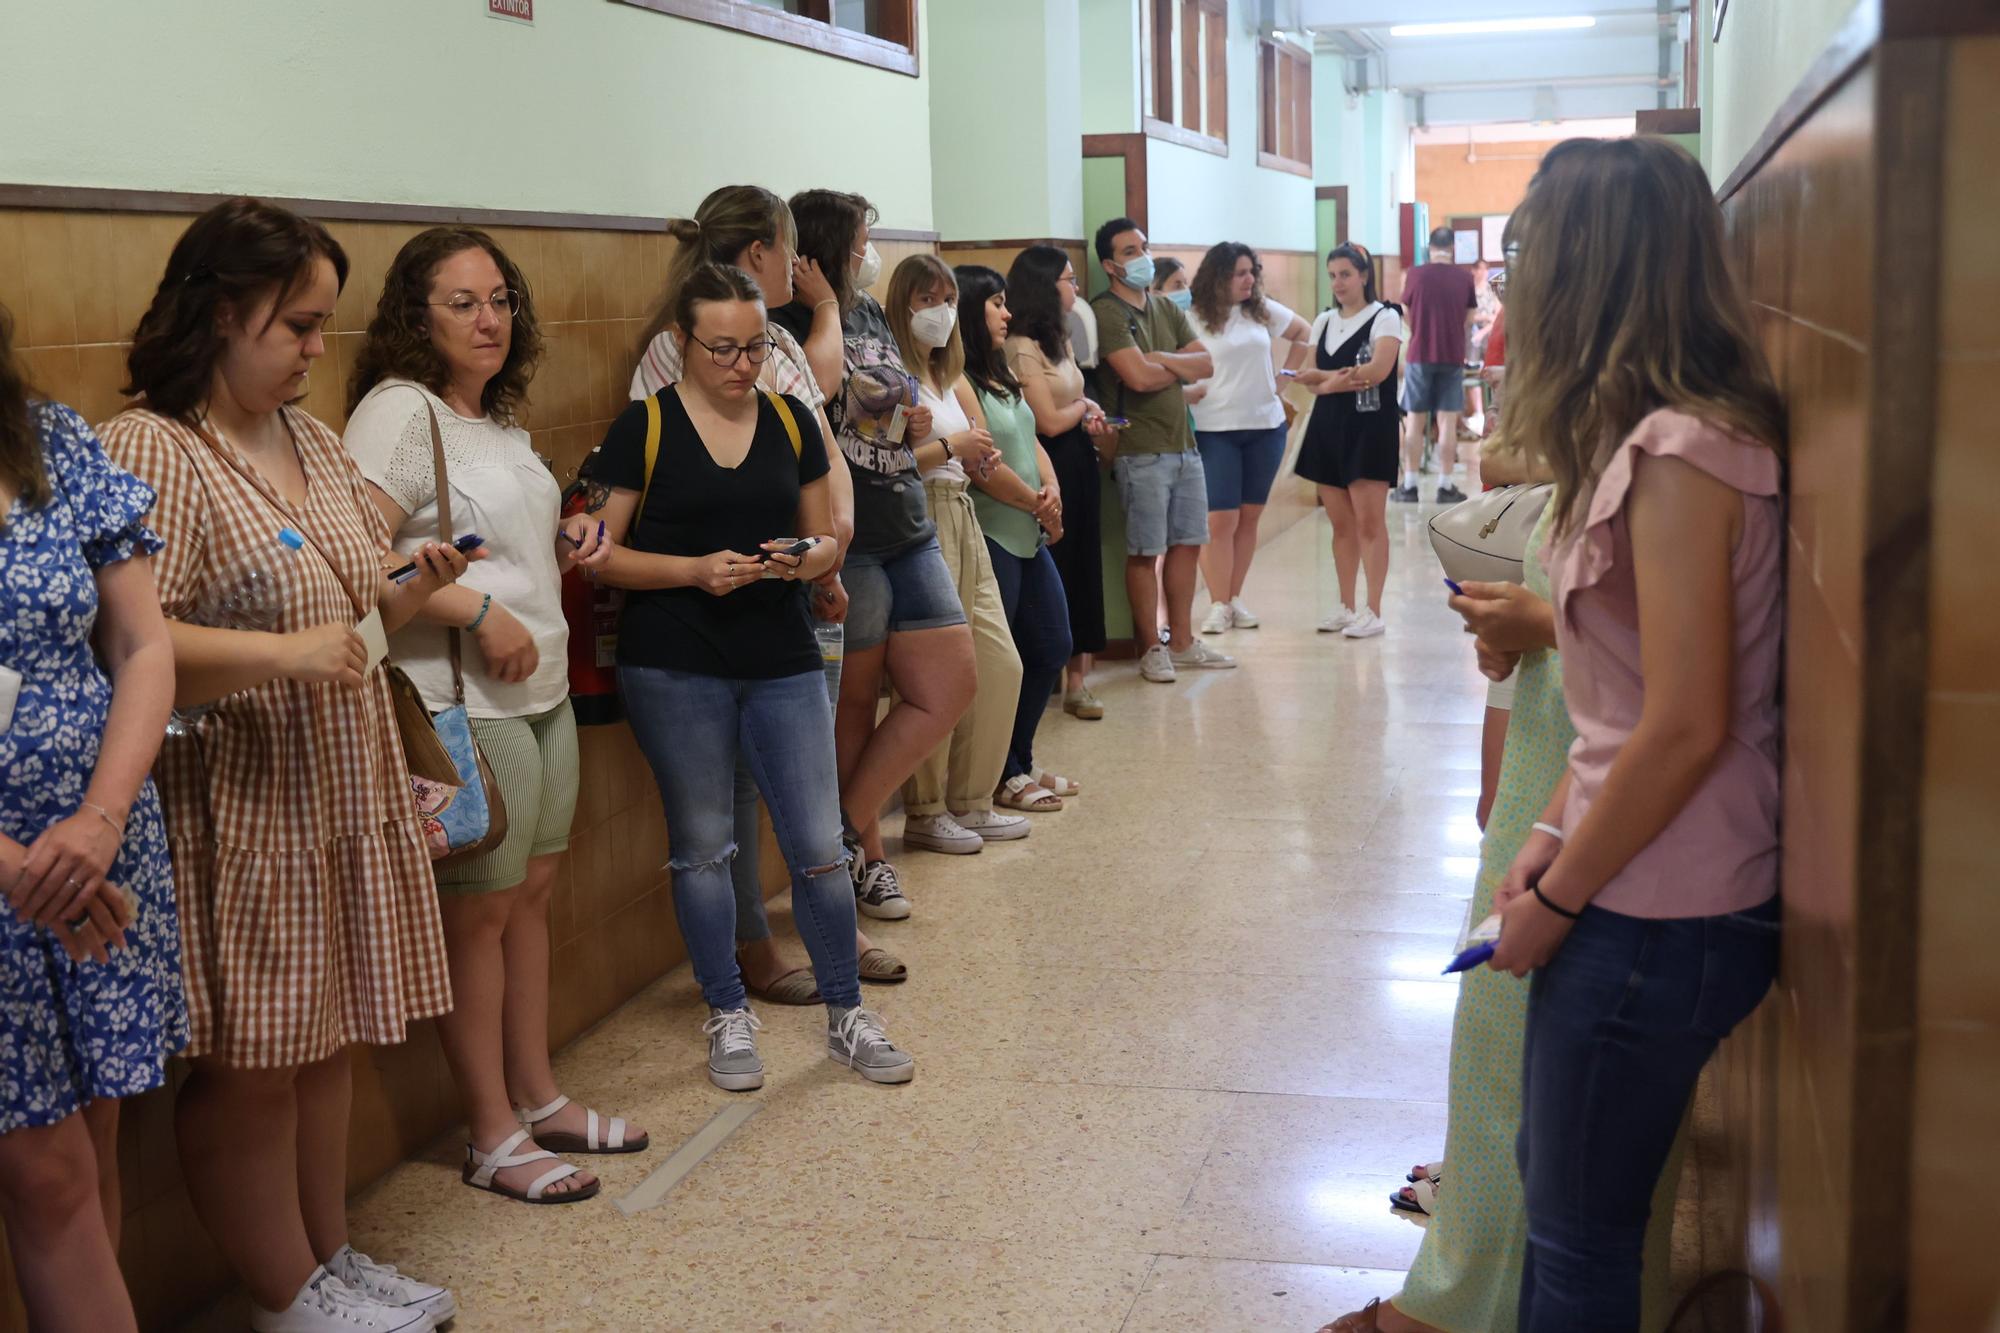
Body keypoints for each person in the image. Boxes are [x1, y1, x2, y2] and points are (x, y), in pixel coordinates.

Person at [103, 198, 471, 1332]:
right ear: (223, 313)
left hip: (340, 786)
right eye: (299, 326)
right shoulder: (152, 446)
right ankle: (281, 1292)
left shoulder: (307, 437)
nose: (320, 349)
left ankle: (327, 1256)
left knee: (324, 1046)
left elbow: (342, 610)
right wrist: (281, 649)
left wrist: (403, 590)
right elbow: (130, 641)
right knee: (256, 1064)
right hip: (240, 802)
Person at [1487, 136, 1787, 1331]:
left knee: (1575, 1241)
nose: (1514, 281)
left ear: (1589, 271)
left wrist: (1560, 900)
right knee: (1558, 1201)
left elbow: (1685, 721)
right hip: (1631, 877)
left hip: (1663, 908)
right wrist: (1549, 829)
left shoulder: (1682, 455)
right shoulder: (1639, 438)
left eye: (1528, 253)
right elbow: (1620, 699)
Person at [1319, 500, 1683, 1333]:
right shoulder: (1597, 449)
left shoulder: (1676, 462)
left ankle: (1463, 1309)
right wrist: (1517, 637)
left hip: (1606, 797)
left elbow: (1689, 670)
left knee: (1550, 1086)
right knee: (1498, 1062)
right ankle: (1459, 1293)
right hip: (1552, 769)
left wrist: (1549, 627)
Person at [344, 226, 645, 1207]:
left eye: (499, 300)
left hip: (544, 685)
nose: (488, 320)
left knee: (527, 906)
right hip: (463, 698)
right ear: (413, 317)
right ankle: (488, 1131)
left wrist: (567, 530)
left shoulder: (497, 419)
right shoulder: (398, 414)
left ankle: (537, 1094)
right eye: (463, 302)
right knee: (479, 921)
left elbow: (492, 540)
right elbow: (356, 562)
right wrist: (475, 609)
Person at [581, 261, 914, 1091]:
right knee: (701, 849)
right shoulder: (645, 426)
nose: (740, 364)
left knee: (816, 846)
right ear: (682, 344)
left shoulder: (793, 420)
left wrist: (808, 560)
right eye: (721, 348)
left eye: (755, 346)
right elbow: (600, 556)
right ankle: (727, 1009)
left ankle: (846, 1014)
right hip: (675, 659)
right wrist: (693, 571)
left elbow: (825, 539)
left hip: (781, 655)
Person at [626, 186, 902, 1006]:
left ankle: (831, 935)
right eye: (787, 248)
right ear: (758, 253)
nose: (799, 265)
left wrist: (829, 552)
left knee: (807, 776)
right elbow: (666, 494)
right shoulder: (671, 356)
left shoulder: (776, 337)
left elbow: (819, 453)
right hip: (715, 609)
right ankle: (749, 947)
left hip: (796, 583)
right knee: (733, 795)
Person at [0, 304, 185, 1333]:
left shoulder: (51, 438)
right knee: (49, 1173)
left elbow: (142, 646)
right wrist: (19, 863)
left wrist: (100, 821)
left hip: (99, 851)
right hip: (15, 879)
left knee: (94, 1147)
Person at [770, 190, 976, 922]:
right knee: (853, 703)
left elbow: (884, 401)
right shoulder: (792, 321)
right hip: (846, 534)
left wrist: (913, 416)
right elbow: (822, 390)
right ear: (828, 246)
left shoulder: (865, 312)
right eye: (861, 239)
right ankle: (869, 857)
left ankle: (843, 829)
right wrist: (823, 305)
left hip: (906, 521)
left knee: (952, 679)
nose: (869, 250)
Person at [883, 255, 1033, 839]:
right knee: (935, 675)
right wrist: (953, 447)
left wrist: (977, 453)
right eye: (926, 301)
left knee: (1001, 664)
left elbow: (975, 444)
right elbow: (884, 464)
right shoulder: (891, 376)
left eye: (947, 301)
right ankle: (926, 810)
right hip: (920, 518)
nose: (940, 314)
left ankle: (971, 799)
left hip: (963, 514)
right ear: (903, 306)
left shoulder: (949, 375)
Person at [958, 265, 1077, 809]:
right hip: (993, 533)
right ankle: (1003, 772)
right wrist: (1036, 504)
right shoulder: (961, 380)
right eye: (996, 304)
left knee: (1052, 643)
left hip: (1026, 529)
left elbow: (1031, 440)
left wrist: (1049, 491)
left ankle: (1021, 760)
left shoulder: (1000, 371)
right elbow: (984, 464)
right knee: (1003, 660)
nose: (1008, 314)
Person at [1089, 219, 1229, 683]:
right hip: (1139, 450)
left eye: (1143, 247)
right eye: (1130, 251)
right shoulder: (1106, 313)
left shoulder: (1165, 309)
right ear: (1110, 264)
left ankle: (1183, 641)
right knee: (1145, 551)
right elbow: (1138, 378)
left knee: (1187, 544)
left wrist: (1163, 358)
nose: (1142, 257)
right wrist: (1173, 365)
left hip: (1185, 446)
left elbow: (1205, 363)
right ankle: (1150, 647)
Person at [1002, 246, 1114, 721]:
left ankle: (1078, 680)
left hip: (1078, 459)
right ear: (1045, 286)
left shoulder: (1059, 336)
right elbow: (1045, 421)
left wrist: (1086, 414)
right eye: (1068, 279)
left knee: (1086, 564)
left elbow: (1074, 396)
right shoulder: (1020, 344)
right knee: (1058, 566)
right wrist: (1084, 410)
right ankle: (1045, 675)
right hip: (1049, 464)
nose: (1074, 287)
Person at [1182, 242, 1311, 634]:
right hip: (1214, 428)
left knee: (1249, 517)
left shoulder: (1261, 310)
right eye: (1240, 273)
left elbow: (1303, 332)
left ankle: (1234, 597)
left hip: (1264, 427)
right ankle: (1217, 603)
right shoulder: (1191, 317)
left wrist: (1283, 380)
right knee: (1220, 519)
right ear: (1218, 277)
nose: (1249, 279)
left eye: (1251, 271)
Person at [1293, 243, 1402, 639]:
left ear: (1364, 276)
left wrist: (1328, 384)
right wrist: (1331, 382)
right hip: (1329, 427)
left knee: (1369, 522)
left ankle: (1374, 609)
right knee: (1341, 523)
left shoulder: (1385, 318)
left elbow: (1377, 370)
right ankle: (1346, 604)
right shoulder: (1323, 320)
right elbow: (1308, 371)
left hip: (1370, 428)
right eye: (1333, 275)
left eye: (1346, 274)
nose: (1338, 283)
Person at [1394, 227, 1476, 505]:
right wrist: (1450, 329)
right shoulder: (1465, 277)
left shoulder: (1415, 274)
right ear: (1452, 247)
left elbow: (1405, 311)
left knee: (1415, 421)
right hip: (1452, 356)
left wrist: (1419, 329)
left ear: (1429, 247)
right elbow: (1469, 316)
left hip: (1419, 355)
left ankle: (1410, 485)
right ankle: (1445, 485)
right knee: (1447, 422)